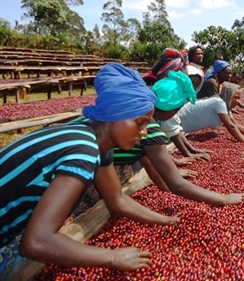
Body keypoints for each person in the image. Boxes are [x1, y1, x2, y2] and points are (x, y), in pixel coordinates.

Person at [0, 63, 179, 277]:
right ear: (115, 114)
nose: (143, 133)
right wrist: (112, 257)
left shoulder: (94, 140)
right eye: (139, 123)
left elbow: (116, 200)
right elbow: (35, 242)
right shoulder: (84, 150)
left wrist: (164, 220)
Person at [113, 70, 244, 207]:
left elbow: (147, 158)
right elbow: (177, 184)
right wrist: (223, 199)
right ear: (172, 110)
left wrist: (169, 175)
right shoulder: (150, 128)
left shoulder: (139, 115)